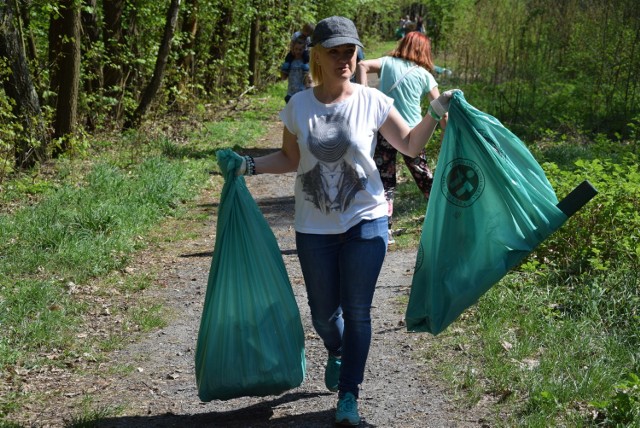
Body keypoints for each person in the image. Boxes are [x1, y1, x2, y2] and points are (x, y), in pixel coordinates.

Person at [227, 16, 457, 426]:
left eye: (349, 51)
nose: (343, 59)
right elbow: (290, 159)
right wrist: (247, 165)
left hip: (365, 220)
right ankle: (336, 349)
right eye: (333, 52)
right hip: (313, 226)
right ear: (317, 55)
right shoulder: (298, 106)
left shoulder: (372, 101)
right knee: (321, 313)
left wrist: (436, 110)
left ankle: (349, 396)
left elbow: (408, 143)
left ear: (357, 53)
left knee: (358, 311)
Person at [356, 31, 447, 245]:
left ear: (404, 44)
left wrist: (363, 94)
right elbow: (441, 109)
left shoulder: (387, 62)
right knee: (424, 177)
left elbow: (362, 65)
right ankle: (445, 218)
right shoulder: (425, 75)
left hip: (386, 131)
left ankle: (384, 230)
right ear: (424, 50)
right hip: (413, 134)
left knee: (385, 181)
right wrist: (447, 132)